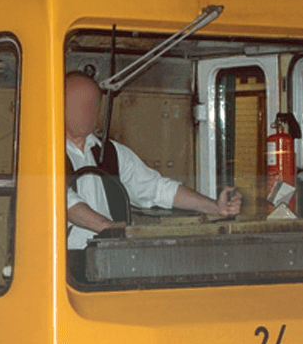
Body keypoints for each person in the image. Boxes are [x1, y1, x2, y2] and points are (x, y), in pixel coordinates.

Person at [65, 71, 241, 250]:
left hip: (108, 256)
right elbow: (65, 202)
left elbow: (157, 189)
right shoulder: (45, 155)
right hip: (61, 263)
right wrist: (110, 228)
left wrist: (214, 207)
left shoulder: (112, 152)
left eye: (93, 104)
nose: (88, 110)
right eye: (80, 103)